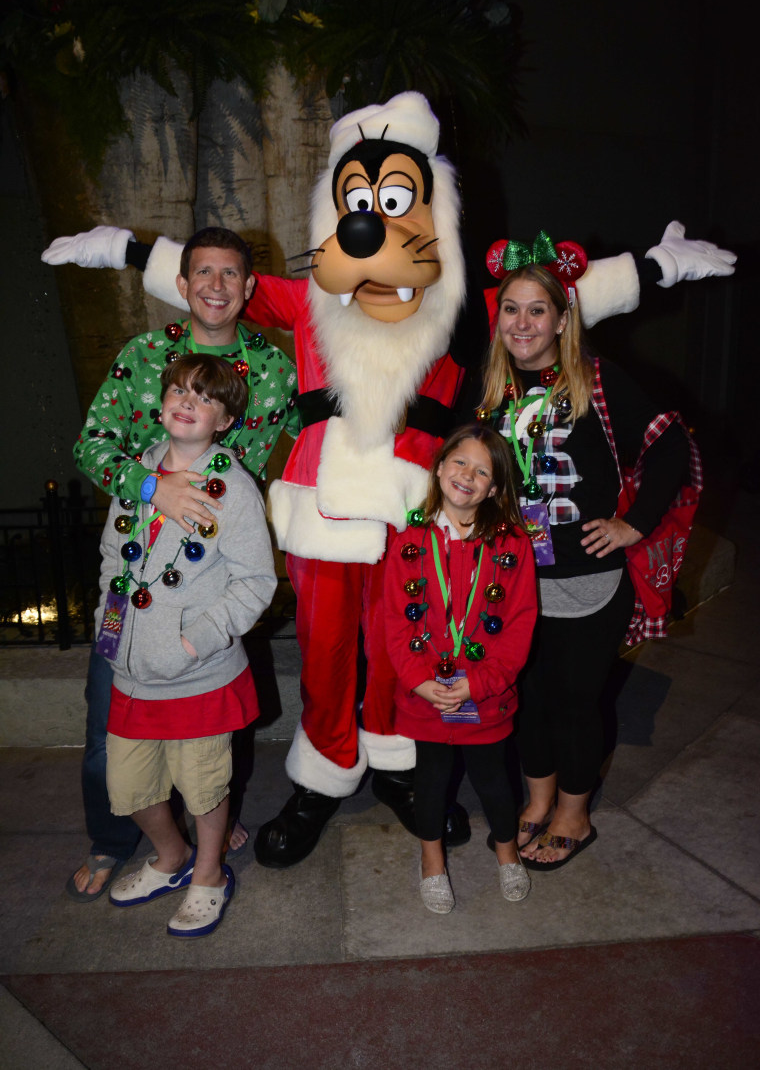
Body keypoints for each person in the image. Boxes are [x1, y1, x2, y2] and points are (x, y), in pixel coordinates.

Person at [42, 93, 735, 871]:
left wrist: (658, 266)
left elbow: (555, 300)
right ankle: (324, 774)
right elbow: (218, 285)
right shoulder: (307, 300)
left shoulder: (452, 311)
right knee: (327, 653)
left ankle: (402, 766)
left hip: (415, 517)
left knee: (407, 642)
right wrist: (126, 250)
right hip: (323, 512)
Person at [66, 226, 297, 901]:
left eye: (230, 274)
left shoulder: (273, 367)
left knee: (209, 735)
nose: (217, 287)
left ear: (248, 287)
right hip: (137, 567)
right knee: (108, 727)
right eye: (204, 273)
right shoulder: (145, 355)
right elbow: (93, 445)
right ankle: (114, 842)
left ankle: (208, 837)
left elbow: (291, 446)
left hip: (210, 573)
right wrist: (151, 487)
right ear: (183, 282)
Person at [477, 234, 698, 870]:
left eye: (537, 310)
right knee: (530, 697)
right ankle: (539, 799)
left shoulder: (597, 379)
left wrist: (634, 524)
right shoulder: (490, 385)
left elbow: (671, 447)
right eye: (511, 309)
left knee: (576, 702)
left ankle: (575, 813)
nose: (523, 323)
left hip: (586, 581)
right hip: (513, 579)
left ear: (563, 318)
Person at [98, 353, 276, 936]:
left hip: (197, 672)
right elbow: (111, 555)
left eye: (203, 397)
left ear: (224, 419)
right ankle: (169, 856)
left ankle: (208, 871)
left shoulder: (235, 489)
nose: (186, 401)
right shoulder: (140, 472)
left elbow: (256, 583)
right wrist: (109, 616)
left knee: (203, 786)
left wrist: (192, 643)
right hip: (132, 670)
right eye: (178, 390)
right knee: (127, 786)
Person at [384, 425, 537, 912]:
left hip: (484, 694)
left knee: (493, 778)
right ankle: (432, 860)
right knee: (430, 779)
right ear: (439, 467)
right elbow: (393, 620)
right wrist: (420, 682)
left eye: (482, 470)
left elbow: (518, 625)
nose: (467, 475)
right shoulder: (410, 539)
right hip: (427, 693)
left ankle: (507, 851)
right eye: (459, 462)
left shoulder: (512, 545)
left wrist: (478, 683)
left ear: (494, 488)